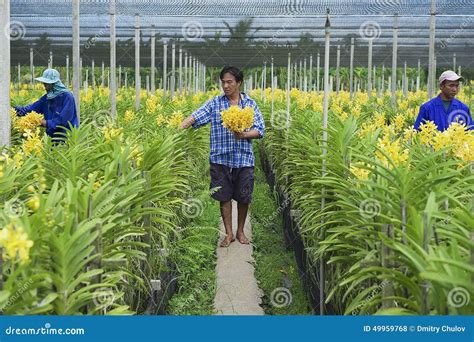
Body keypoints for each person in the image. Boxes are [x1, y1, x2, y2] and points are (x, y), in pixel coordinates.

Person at [181, 66, 265, 247]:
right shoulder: (215, 103)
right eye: (223, 82)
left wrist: (243, 134)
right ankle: (228, 234)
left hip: (244, 158)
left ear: (239, 83)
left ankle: (240, 231)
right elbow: (198, 115)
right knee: (224, 196)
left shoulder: (250, 104)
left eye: (229, 82)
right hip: (220, 159)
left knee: (244, 197)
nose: (225, 86)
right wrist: (182, 124)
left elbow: (260, 130)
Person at [14, 68, 79, 139]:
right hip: (51, 137)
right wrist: (12, 110)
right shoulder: (47, 98)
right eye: (44, 83)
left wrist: (42, 122)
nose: (44, 86)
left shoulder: (67, 97)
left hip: (67, 138)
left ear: (54, 84)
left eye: (46, 84)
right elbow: (30, 109)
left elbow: (63, 121)